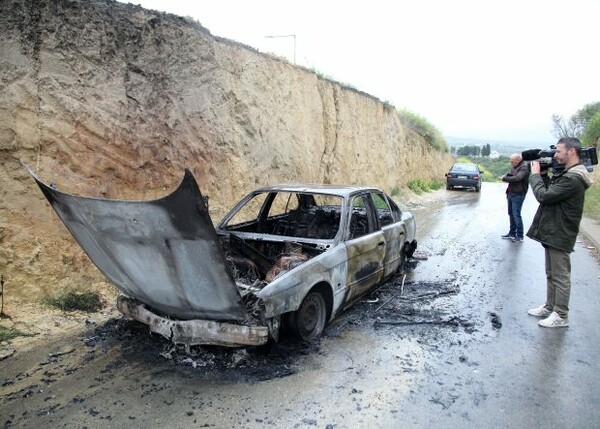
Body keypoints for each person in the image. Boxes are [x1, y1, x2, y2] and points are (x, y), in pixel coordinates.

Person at [526, 137, 593, 328]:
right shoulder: (568, 174)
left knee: (560, 275)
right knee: (551, 273)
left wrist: (536, 175)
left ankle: (561, 315)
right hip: (553, 229)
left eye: (558, 151)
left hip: (560, 231)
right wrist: (546, 176)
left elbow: (544, 196)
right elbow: (552, 191)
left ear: (571, 151)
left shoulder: (573, 178)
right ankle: (550, 307)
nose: (555, 155)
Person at [499, 153, 529, 242]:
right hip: (511, 192)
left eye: (512, 162)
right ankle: (512, 233)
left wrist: (504, 178)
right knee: (511, 214)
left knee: (516, 215)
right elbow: (513, 176)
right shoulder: (515, 166)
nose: (511, 163)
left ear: (518, 160)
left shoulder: (524, 167)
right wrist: (507, 176)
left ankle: (520, 235)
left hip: (518, 194)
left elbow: (517, 178)